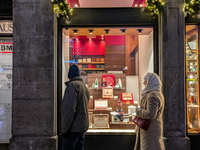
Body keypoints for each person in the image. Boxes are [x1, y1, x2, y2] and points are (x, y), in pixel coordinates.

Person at [61, 64, 90, 150]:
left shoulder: (72, 86)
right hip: (81, 128)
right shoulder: (83, 86)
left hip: (73, 129)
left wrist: (64, 129)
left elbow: (69, 109)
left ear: (70, 75)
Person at [134, 72, 165, 150]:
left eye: (145, 81)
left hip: (150, 129)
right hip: (151, 128)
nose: (144, 83)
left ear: (150, 82)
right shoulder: (157, 93)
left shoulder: (152, 95)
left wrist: (138, 111)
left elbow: (150, 114)